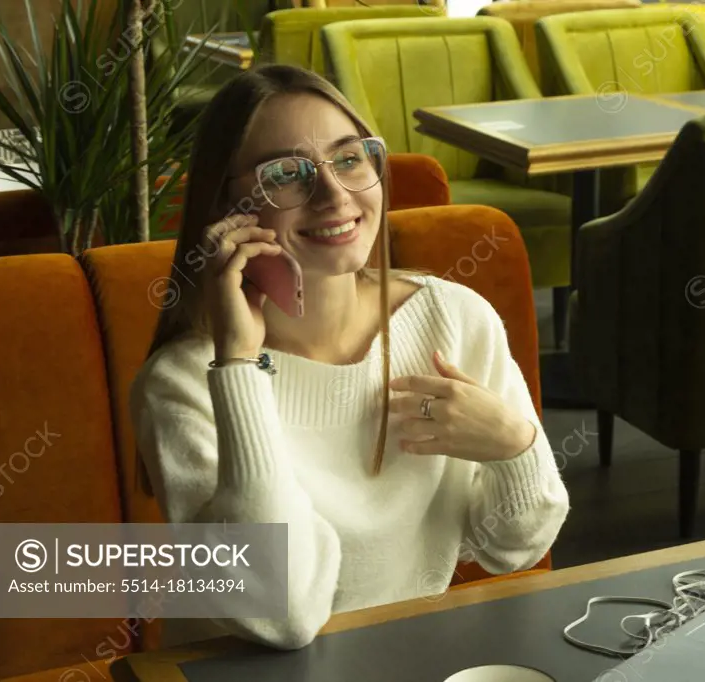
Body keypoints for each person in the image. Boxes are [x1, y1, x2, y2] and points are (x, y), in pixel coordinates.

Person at [129, 64, 570, 651]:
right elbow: (283, 617)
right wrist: (239, 365)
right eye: (286, 174)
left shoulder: (456, 318)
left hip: (402, 659)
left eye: (349, 159)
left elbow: (512, 545)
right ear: (225, 208)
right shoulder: (185, 382)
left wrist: (514, 443)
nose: (334, 195)